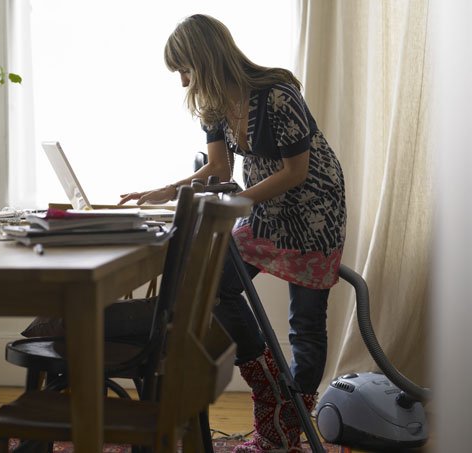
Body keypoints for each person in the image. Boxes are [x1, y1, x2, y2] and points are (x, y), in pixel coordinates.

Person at [119, 14, 346, 453]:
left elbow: (296, 172)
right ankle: (273, 389)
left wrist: (241, 204)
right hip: (262, 207)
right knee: (210, 282)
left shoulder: (278, 96)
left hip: (316, 209)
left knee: (305, 322)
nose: (184, 82)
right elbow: (219, 169)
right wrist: (166, 190)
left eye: (185, 69)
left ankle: (284, 432)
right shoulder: (213, 105)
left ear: (205, 59)